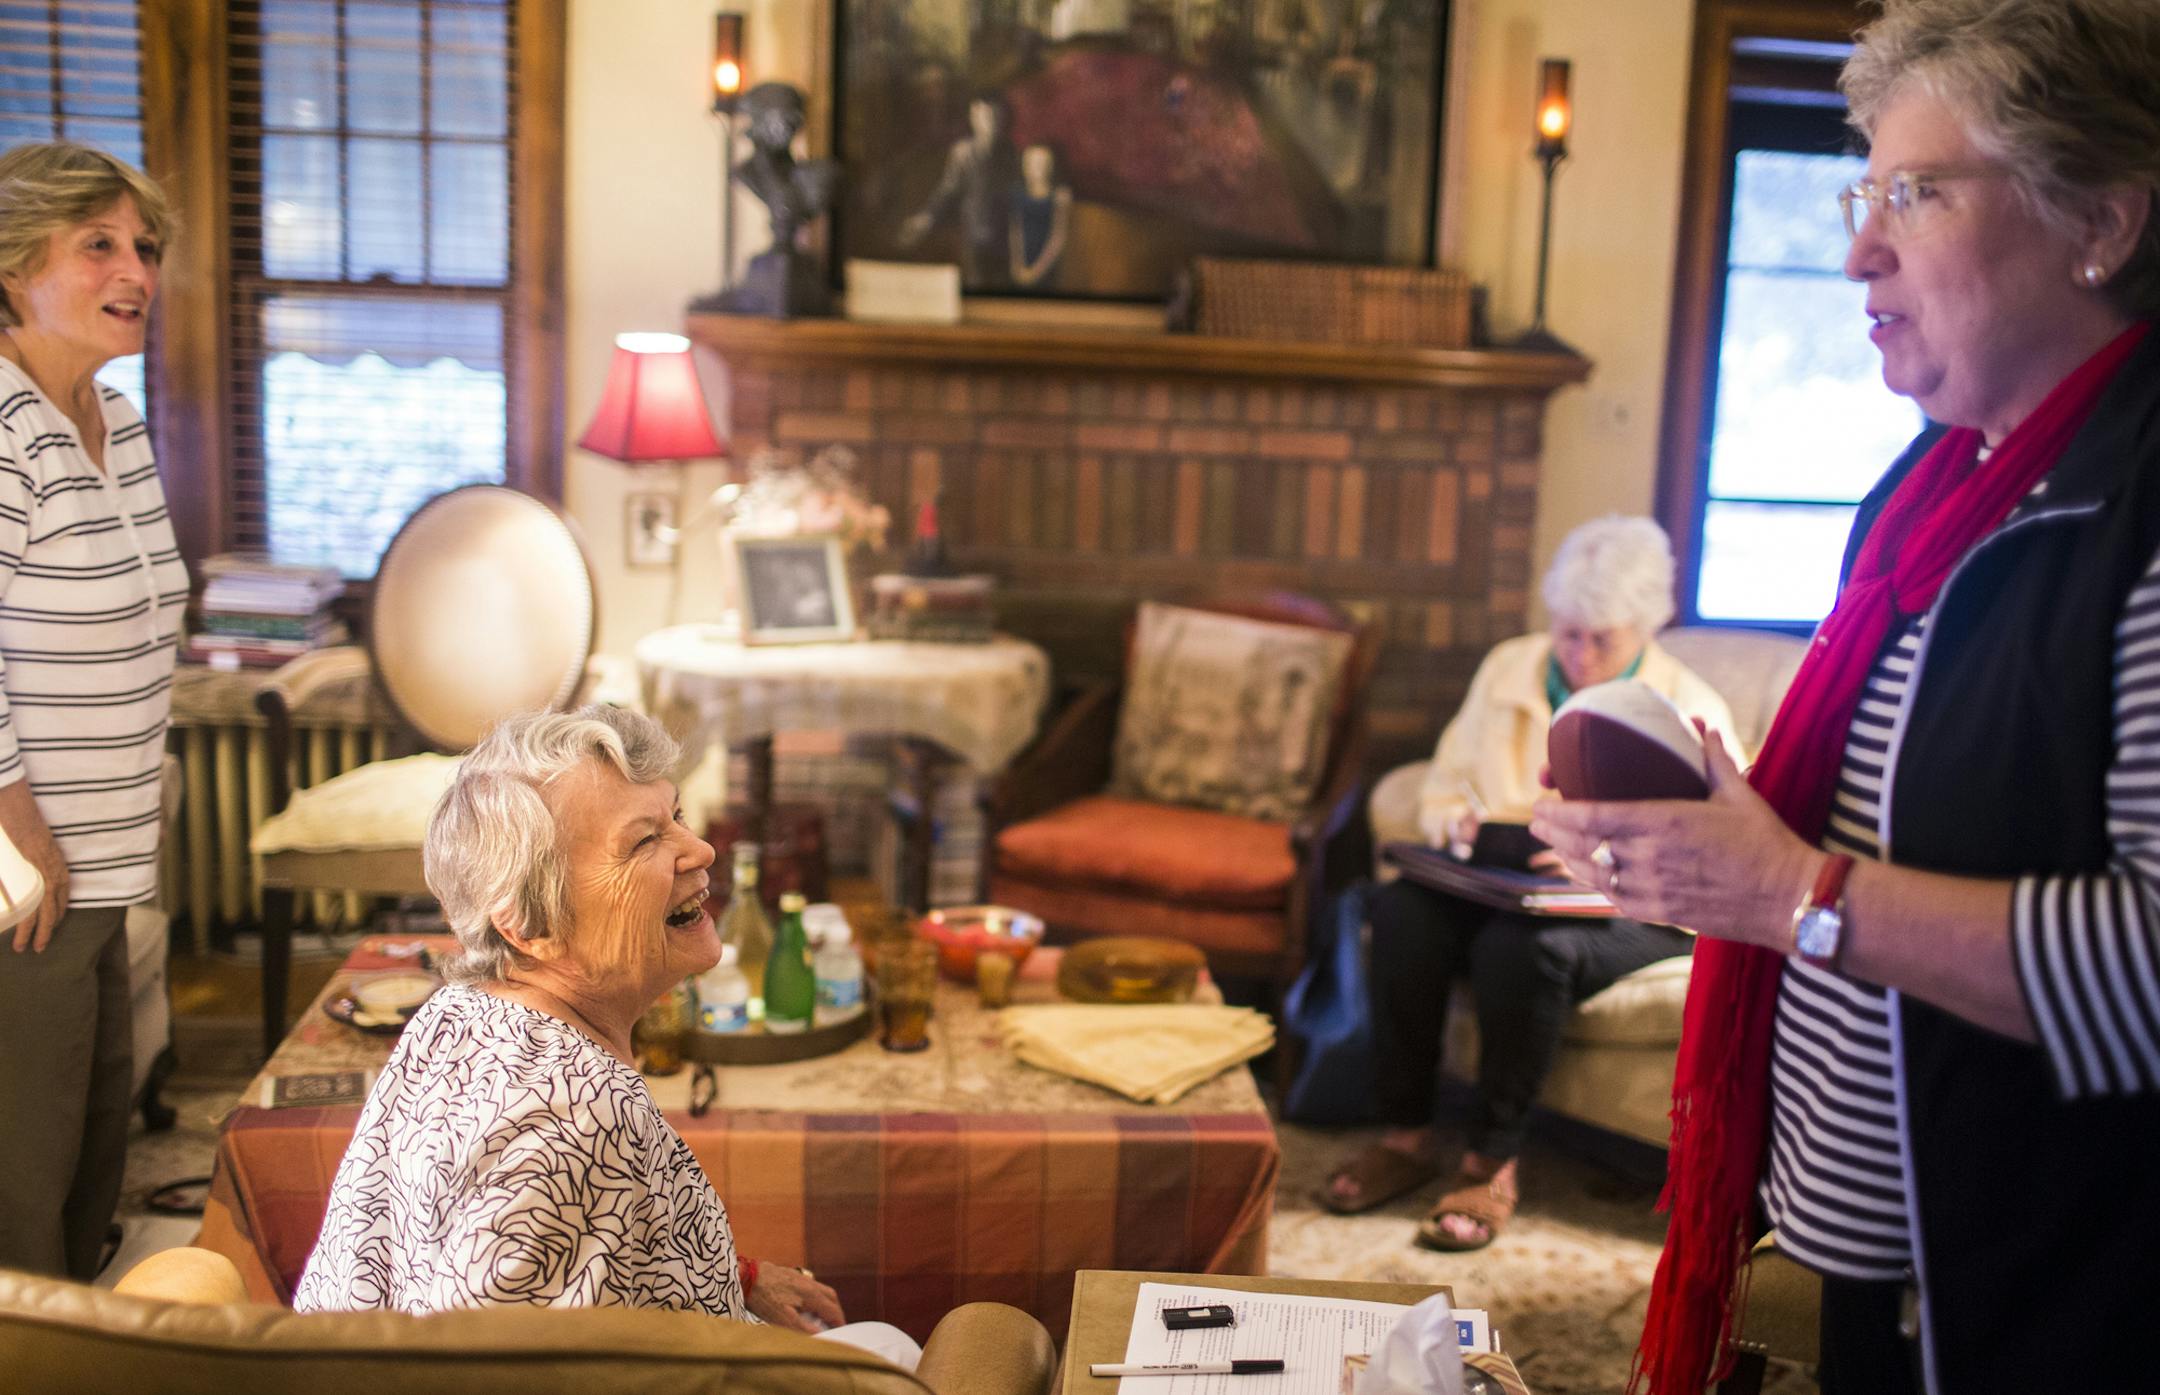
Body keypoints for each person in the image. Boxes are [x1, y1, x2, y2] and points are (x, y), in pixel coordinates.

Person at [1527, 3, 2160, 1391]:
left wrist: (1789, 893)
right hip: (1886, 1256)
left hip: (2059, 1285)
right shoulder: (1931, 492)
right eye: (1862, 189)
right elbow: (1893, 830)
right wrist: (1702, 844)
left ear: (2102, 217)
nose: (1858, 246)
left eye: (1916, 194)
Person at [293, 706, 919, 1368]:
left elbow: (561, 1246)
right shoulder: (577, 1113)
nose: (701, 848)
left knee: (884, 1350)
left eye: (675, 815)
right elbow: (489, 1377)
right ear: (529, 925)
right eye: (644, 841)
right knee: (906, 1357)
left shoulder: (455, 1011)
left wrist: (736, 1277)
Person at [1319, 517, 1737, 1251]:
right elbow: (1444, 786)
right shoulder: (1510, 665)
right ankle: (1407, 1135)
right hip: (1503, 882)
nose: (1577, 653)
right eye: (1567, 631)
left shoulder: (1690, 703)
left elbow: (1717, 840)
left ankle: (1492, 1159)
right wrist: (1464, 832)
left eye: (1599, 638)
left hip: (1630, 902)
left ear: (1644, 627)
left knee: (1522, 952)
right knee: (1402, 912)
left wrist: (1599, 852)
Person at [0, 142, 183, 1280]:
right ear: (14, 264)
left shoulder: (116, 416)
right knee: (25, 1172)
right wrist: (17, 828)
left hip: (106, 857)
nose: (138, 271)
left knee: (92, 1147)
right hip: (31, 868)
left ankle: (83, 1347)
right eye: (100, 244)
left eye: (146, 247)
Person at [898, 92, 1023, 290]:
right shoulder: (962, 152)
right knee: (976, 284)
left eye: (994, 117)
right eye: (982, 117)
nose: (988, 123)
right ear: (973, 119)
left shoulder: (1012, 154)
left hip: (1005, 235)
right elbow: (948, 190)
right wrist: (927, 215)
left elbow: (1020, 193)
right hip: (973, 231)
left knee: (1004, 286)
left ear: (1002, 120)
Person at [1008, 143, 1071, 289]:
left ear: (1050, 166)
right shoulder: (1017, 194)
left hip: (1047, 265)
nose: (1036, 168)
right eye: (1032, 163)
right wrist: (1017, 265)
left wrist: (1036, 272)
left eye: (1042, 164)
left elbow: (1058, 238)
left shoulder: (1059, 196)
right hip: (1021, 266)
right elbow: (1015, 232)